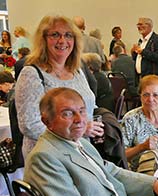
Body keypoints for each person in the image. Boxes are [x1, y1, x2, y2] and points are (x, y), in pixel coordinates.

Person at [24, 87, 158, 196]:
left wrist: (154, 184)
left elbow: (112, 172)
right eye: (67, 113)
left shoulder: (79, 142)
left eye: (81, 111)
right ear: (47, 121)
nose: (79, 119)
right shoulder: (45, 157)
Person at [16, 15, 103, 157]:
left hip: (82, 150)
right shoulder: (32, 74)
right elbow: (30, 125)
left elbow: (88, 106)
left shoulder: (77, 71)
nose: (62, 41)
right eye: (55, 35)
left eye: (68, 35)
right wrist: (79, 129)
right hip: (50, 156)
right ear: (43, 39)